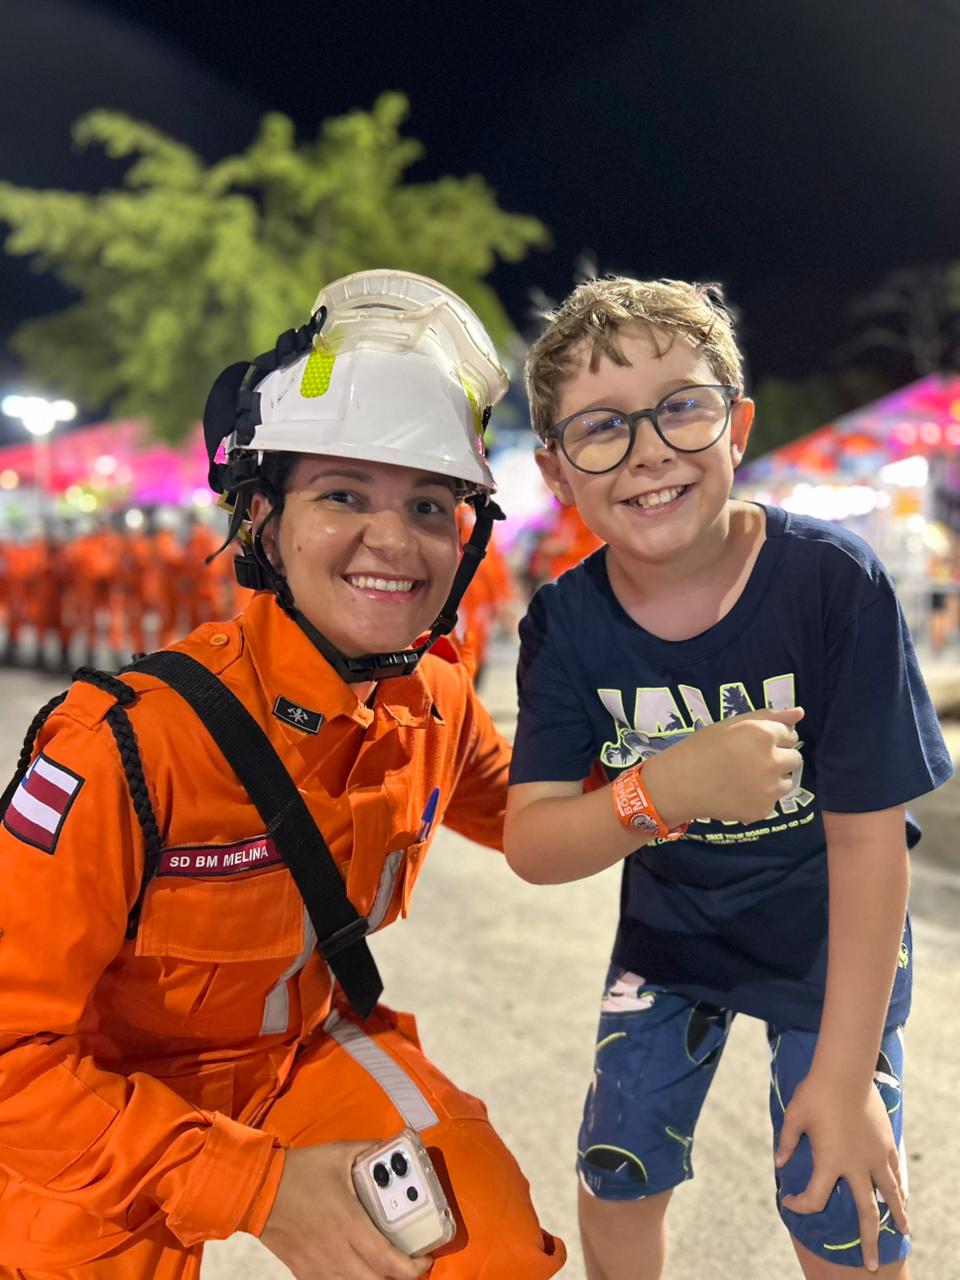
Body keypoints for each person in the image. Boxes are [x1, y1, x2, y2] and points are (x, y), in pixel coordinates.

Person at [0, 270, 564, 1279]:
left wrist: (690, 766)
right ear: (264, 518)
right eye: (343, 493)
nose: (392, 539)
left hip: (297, 1064)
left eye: (431, 504)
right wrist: (254, 1187)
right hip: (102, 1104)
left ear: (466, 535)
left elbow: (547, 812)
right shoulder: (121, 748)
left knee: (490, 1253)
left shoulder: (436, 703)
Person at [504, 276, 952, 1279]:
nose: (649, 448)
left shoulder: (832, 584)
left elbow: (869, 840)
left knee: (837, 1190)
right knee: (616, 1167)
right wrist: (662, 793)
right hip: (671, 937)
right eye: (601, 427)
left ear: (738, 424)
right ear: (556, 471)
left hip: (830, 930)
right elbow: (532, 839)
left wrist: (843, 1073)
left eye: (683, 406)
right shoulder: (566, 624)